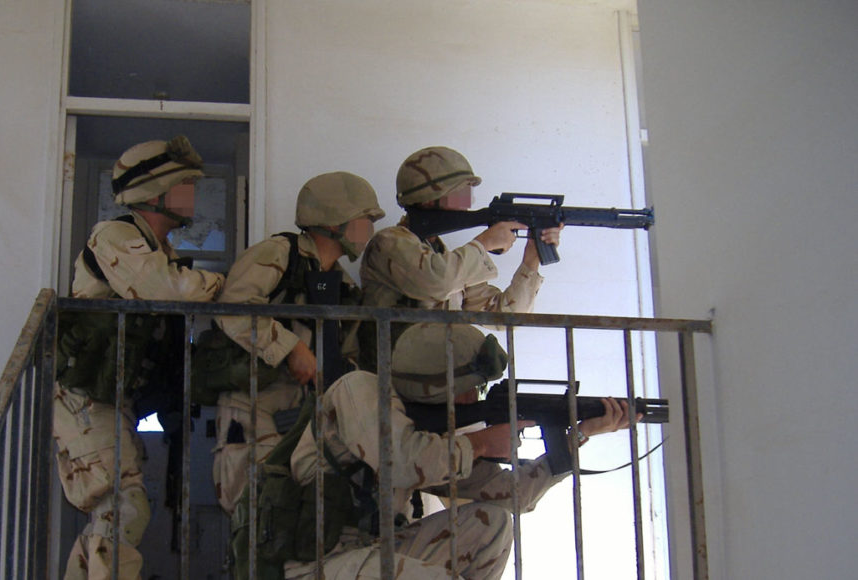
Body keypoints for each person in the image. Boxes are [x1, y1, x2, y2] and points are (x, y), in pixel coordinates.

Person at [282, 323, 636, 579]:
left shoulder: (435, 437)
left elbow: (512, 495)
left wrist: (579, 435)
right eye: (471, 387)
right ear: (436, 384)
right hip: (316, 560)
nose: (473, 398)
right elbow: (401, 461)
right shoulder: (359, 390)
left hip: (374, 547)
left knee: (494, 524)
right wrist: (482, 442)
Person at [52, 136, 226, 580]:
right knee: (124, 508)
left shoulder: (157, 249)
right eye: (185, 184)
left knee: (117, 511)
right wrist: (220, 284)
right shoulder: (115, 235)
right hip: (84, 399)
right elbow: (165, 290)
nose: (193, 193)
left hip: (113, 398)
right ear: (156, 193)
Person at [211, 171, 384, 514]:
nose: (369, 230)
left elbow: (346, 352)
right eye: (364, 220)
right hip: (256, 403)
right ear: (333, 221)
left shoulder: (343, 286)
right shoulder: (279, 253)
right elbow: (233, 306)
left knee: (294, 515)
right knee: (251, 507)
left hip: (307, 413)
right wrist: (291, 348)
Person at [359, 146, 563, 369]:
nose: (468, 203)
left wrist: (531, 258)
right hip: (390, 376)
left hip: (439, 377)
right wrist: (484, 243)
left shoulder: (444, 257)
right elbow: (437, 281)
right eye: (460, 193)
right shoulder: (389, 242)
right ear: (428, 199)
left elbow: (506, 316)